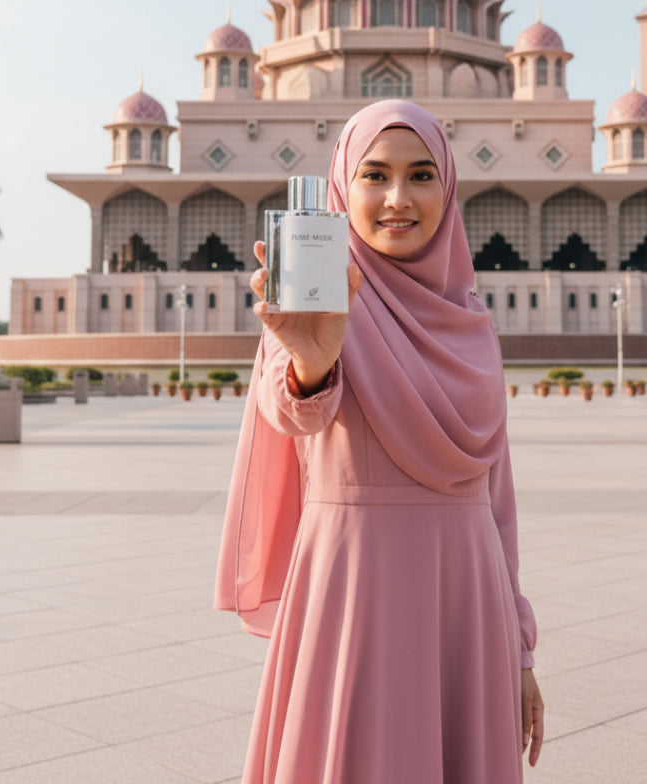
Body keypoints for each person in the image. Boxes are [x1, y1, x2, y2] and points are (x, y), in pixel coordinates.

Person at [215, 99, 543, 782]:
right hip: (355, 586)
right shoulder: (318, 305)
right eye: (375, 175)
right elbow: (294, 415)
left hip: (467, 593)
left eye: (422, 175)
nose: (399, 198)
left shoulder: (473, 326)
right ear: (343, 187)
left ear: (448, 190)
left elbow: (499, 503)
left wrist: (519, 654)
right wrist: (313, 358)